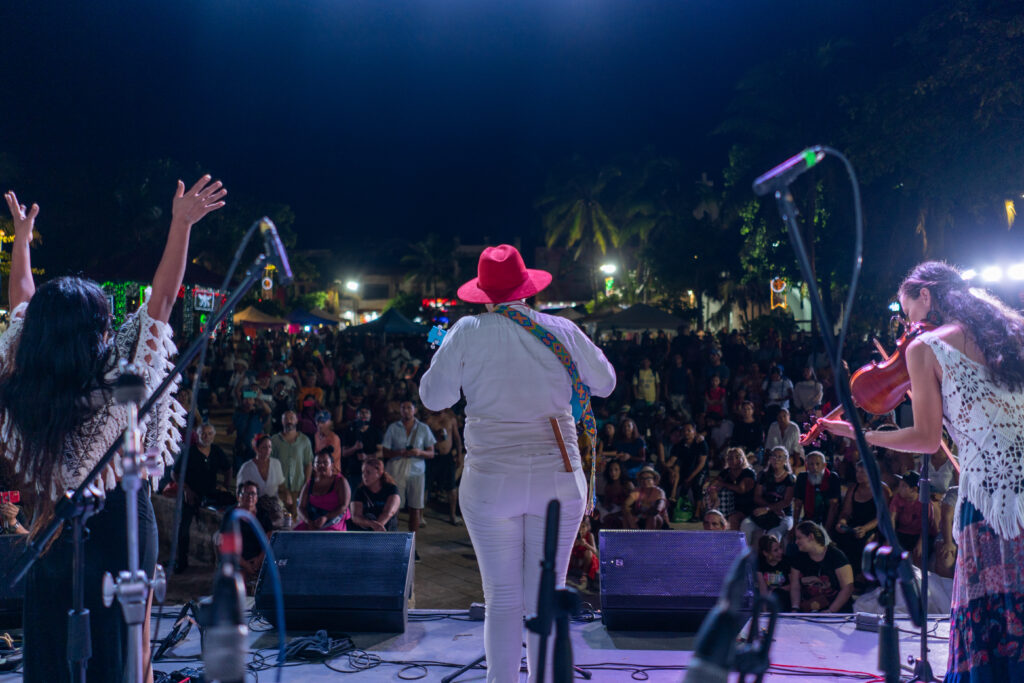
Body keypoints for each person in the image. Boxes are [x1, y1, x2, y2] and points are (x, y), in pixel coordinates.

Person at [0, 177, 225, 683]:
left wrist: (22, 239)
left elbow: (22, 300)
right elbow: (162, 302)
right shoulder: (126, 375)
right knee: (132, 644)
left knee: (55, 640)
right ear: (94, 334)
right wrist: (180, 225)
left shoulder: (28, 380)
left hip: (55, 526)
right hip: (124, 520)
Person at [419, 244, 615, 683]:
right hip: (559, 477)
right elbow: (606, 382)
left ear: (483, 294)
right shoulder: (561, 328)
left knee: (502, 597)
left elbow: (434, 397)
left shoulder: (467, 330)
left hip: (491, 480)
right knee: (544, 595)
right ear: (527, 288)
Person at [821, 261, 1024, 680]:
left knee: (991, 611)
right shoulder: (1009, 334)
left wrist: (863, 435)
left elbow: (926, 439)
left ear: (926, 296)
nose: (906, 321)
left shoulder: (925, 346)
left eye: (907, 307)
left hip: (989, 496)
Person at [172, 422, 233, 573]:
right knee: (183, 528)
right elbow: (174, 473)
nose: (206, 437)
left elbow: (228, 468)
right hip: (192, 494)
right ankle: (182, 562)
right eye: (203, 433)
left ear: (214, 436)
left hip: (211, 494)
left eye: (209, 434)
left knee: (227, 521)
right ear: (197, 435)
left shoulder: (216, 451)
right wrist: (186, 489)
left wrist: (225, 485)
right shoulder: (189, 452)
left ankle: (226, 562)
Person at [382, 400, 435, 551]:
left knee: (415, 507)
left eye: (409, 408)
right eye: (403, 408)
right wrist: (399, 452)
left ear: (415, 410)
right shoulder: (393, 428)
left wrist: (419, 452)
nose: (406, 411)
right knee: (394, 507)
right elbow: (385, 451)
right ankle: (394, 541)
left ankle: (412, 545)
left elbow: (431, 453)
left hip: (416, 471)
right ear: (400, 411)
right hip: (396, 470)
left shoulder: (423, 428)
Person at [834, 461, 891, 582]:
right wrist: (842, 522)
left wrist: (865, 528)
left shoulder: (882, 490)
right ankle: (844, 574)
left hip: (874, 527)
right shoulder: (853, 488)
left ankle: (862, 577)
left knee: (866, 541)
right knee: (840, 537)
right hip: (855, 524)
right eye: (857, 471)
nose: (858, 475)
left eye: (863, 472)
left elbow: (882, 517)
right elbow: (846, 512)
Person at [789, 521, 854, 613]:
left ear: (811, 537)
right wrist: (795, 608)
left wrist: (830, 611)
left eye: (799, 538)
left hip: (837, 613)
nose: (796, 542)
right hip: (810, 611)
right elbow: (795, 586)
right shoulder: (798, 558)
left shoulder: (836, 556)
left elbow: (848, 588)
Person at [741, 447, 795, 546]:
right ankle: (745, 557)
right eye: (773, 456)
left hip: (784, 515)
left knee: (772, 535)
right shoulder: (763, 475)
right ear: (770, 459)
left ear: (785, 460)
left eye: (780, 457)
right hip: (764, 512)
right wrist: (768, 509)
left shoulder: (790, 478)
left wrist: (768, 508)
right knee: (745, 524)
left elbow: (787, 501)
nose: (776, 459)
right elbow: (757, 496)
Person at [425, 407, 464, 525]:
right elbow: (424, 438)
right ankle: (420, 515)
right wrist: (436, 435)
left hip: (447, 457)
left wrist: (459, 455)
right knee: (426, 487)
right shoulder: (429, 420)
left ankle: (452, 515)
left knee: (451, 487)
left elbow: (457, 438)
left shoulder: (451, 419)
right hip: (433, 457)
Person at [294, 450, 351, 531]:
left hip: (334, 518)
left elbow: (344, 506)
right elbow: (300, 507)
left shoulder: (340, 481)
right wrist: (309, 522)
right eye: (318, 463)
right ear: (313, 467)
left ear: (332, 465)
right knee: (296, 533)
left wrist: (326, 517)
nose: (321, 465)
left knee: (326, 534)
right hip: (313, 519)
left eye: (325, 462)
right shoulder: (309, 484)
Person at [271, 410, 313, 516]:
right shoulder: (274, 440)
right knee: (279, 518)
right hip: (279, 488)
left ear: (296, 420)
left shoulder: (304, 440)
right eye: (286, 418)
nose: (289, 421)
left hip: (299, 487)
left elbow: (308, 463)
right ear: (282, 421)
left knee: (297, 519)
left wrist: (306, 485)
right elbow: (271, 464)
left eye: (292, 418)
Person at [792, 451, 842, 532]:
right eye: (811, 464)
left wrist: (826, 530)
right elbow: (798, 504)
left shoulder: (832, 477)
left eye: (818, 464)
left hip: (828, 520)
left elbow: (833, 507)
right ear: (806, 465)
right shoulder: (802, 477)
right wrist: (795, 525)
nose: (814, 467)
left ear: (824, 465)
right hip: (809, 519)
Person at [349, 457, 401, 531]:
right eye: (363, 472)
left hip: (387, 532)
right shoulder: (359, 491)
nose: (364, 476)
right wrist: (371, 524)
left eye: (368, 472)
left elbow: (388, 513)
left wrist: (377, 528)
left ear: (379, 473)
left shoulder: (391, 489)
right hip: (365, 534)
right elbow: (356, 517)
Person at [711, 446, 757, 530]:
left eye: (737, 457)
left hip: (748, 506)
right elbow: (714, 483)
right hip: (731, 506)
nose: (733, 460)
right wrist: (713, 491)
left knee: (733, 519)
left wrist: (723, 483)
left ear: (743, 458)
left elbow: (741, 489)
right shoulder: (727, 471)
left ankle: (733, 542)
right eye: (730, 458)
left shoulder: (748, 472)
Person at [237, 434, 288, 501]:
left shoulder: (276, 464)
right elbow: (239, 492)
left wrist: (287, 496)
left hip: (274, 506)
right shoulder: (246, 468)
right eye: (264, 447)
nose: (268, 450)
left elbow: (281, 486)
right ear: (256, 449)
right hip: (254, 507)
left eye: (269, 447)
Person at [623, 466, 668, 530]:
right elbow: (625, 504)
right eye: (642, 478)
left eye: (648, 478)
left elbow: (657, 509)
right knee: (626, 517)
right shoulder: (637, 491)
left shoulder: (659, 492)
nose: (645, 481)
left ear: (654, 480)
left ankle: (648, 537)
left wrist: (642, 516)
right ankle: (631, 537)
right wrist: (630, 517)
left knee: (652, 517)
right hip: (641, 518)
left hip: (658, 520)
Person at [756, 534, 791, 610]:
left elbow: (793, 585)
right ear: (765, 553)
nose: (780, 552)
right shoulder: (760, 563)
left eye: (780, 548)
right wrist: (764, 610)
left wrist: (776, 590)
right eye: (776, 550)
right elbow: (762, 588)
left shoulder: (786, 561)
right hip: (769, 598)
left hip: (784, 597)